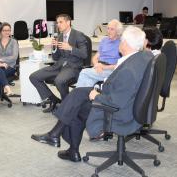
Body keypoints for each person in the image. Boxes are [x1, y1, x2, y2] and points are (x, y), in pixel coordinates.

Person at [31, 26, 153, 162]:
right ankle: (58, 137)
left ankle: (63, 142)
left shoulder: (128, 70)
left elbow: (117, 102)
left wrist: (97, 96)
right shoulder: (142, 57)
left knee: (75, 108)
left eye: (121, 40)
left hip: (119, 112)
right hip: (129, 102)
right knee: (76, 95)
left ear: (125, 44)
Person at [29, 14, 88, 113]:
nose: (58, 25)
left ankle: (67, 106)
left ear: (68, 22)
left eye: (61, 22)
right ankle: (53, 100)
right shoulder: (60, 36)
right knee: (34, 77)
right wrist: (54, 48)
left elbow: (84, 54)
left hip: (73, 67)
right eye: (57, 22)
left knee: (59, 81)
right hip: (59, 66)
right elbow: (56, 58)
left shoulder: (78, 35)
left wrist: (70, 48)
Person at [76, 19, 123, 87]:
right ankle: (84, 96)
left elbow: (121, 64)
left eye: (112, 29)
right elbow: (95, 57)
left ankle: (75, 96)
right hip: (99, 67)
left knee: (84, 72)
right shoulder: (104, 40)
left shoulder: (121, 43)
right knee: (88, 81)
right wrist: (96, 65)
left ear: (118, 31)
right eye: (108, 28)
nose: (108, 31)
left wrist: (104, 67)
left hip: (111, 70)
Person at [0, 22, 19, 111]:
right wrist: (0, 63)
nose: (7, 32)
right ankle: (6, 86)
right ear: (1, 31)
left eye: (9, 30)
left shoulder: (14, 42)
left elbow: (14, 57)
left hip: (10, 67)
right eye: (5, 30)